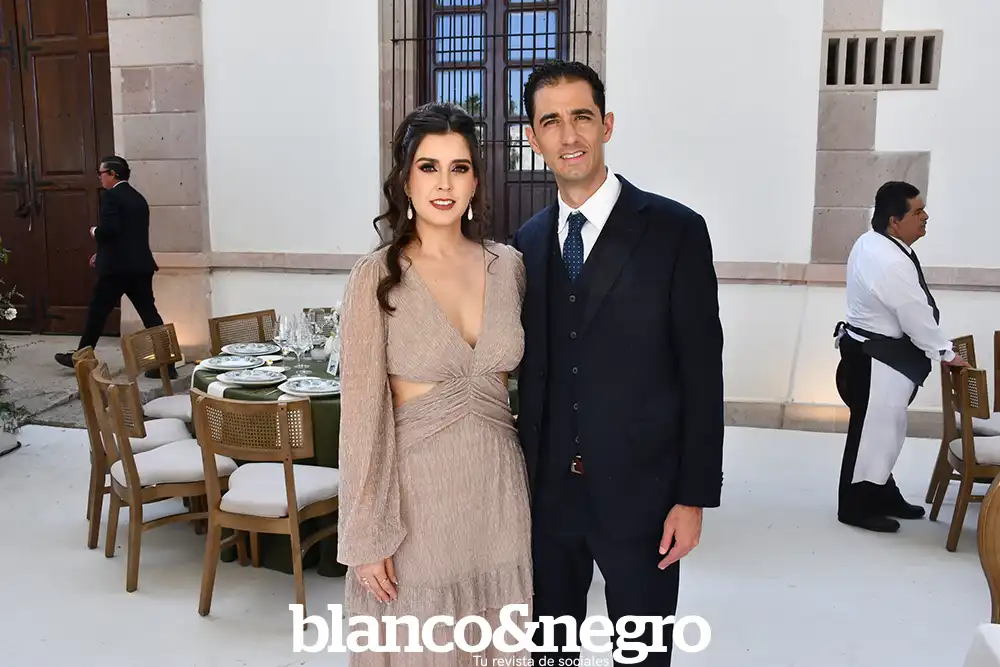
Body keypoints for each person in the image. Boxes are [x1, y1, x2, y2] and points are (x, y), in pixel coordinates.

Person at [511, 61, 725, 666]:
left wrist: (693, 497)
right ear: (533, 137)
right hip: (549, 497)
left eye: (581, 117)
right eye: (551, 121)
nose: (568, 135)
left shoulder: (676, 231)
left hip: (645, 495)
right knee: (550, 653)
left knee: (644, 654)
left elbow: (702, 373)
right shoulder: (527, 241)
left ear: (606, 125)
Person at [336, 103, 532, 665]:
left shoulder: (509, 266)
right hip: (418, 504)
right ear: (405, 181)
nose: (444, 184)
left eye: (459, 167)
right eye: (428, 167)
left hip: (499, 496)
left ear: (475, 181)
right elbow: (361, 417)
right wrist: (367, 535)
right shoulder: (375, 275)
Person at [833, 181, 968, 533]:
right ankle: (856, 506)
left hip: (877, 354)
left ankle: (881, 492)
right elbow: (913, 314)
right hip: (876, 357)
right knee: (873, 435)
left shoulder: (875, 242)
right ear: (895, 221)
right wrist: (945, 353)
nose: (925, 217)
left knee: (885, 431)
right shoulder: (887, 259)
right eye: (918, 212)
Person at [54, 156, 170, 376]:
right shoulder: (138, 197)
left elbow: (111, 230)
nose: (100, 177)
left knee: (97, 313)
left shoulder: (112, 197)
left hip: (117, 270)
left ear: (112, 174)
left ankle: (82, 358)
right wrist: (102, 254)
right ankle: (167, 364)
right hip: (140, 266)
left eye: (101, 173)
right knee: (150, 314)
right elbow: (129, 235)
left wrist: (95, 231)